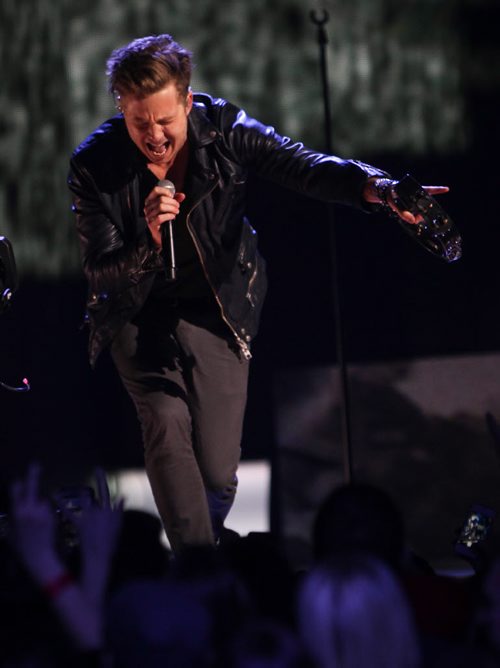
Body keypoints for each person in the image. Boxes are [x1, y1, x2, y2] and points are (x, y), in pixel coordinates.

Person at [67, 34, 449, 554]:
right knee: (164, 419)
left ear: (187, 100)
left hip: (219, 308)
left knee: (219, 473)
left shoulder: (223, 130)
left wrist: (376, 188)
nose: (154, 136)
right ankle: (197, 567)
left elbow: (300, 164)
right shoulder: (94, 166)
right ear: (120, 108)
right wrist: (150, 245)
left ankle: (203, 545)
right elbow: (101, 272)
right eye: (140, 123)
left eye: (165, 120)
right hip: (138, 316)